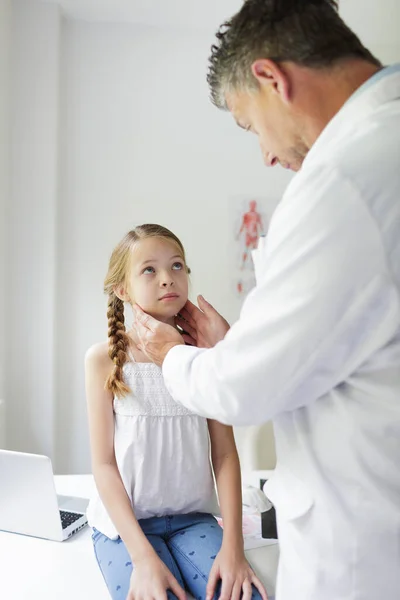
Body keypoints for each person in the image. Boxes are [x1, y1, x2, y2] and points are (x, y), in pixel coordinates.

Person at [130, 2, 400, 600]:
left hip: (364, 548)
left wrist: (175, 356)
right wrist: (236, 347)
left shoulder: (343, 182)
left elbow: (243, 391)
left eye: (249, 126)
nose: (267, 156)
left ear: (272, 80)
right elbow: (345, 343)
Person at [85, 224, 268, 600]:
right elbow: (103, 465)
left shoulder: (205, 356)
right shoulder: (104, 360)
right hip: (126, 530)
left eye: (177, 266)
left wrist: (234, 549)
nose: (168, 278)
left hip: (193, 521)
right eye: (149, 270)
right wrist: (142, 558)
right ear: (123, 289)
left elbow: (226, 453)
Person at [237, 200, 264, 270]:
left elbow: (260, 224)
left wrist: (263, 233)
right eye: (252, 205)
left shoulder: (257, 215)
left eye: (254, 205)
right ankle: (242, 265)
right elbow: (243, 225)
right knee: (246, 250)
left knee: (254, 251)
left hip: (255, 235)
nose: (253, 206)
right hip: (248, 235)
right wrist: (239, 234)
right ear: (250, 205)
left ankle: (253, 266)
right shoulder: (246, 215)